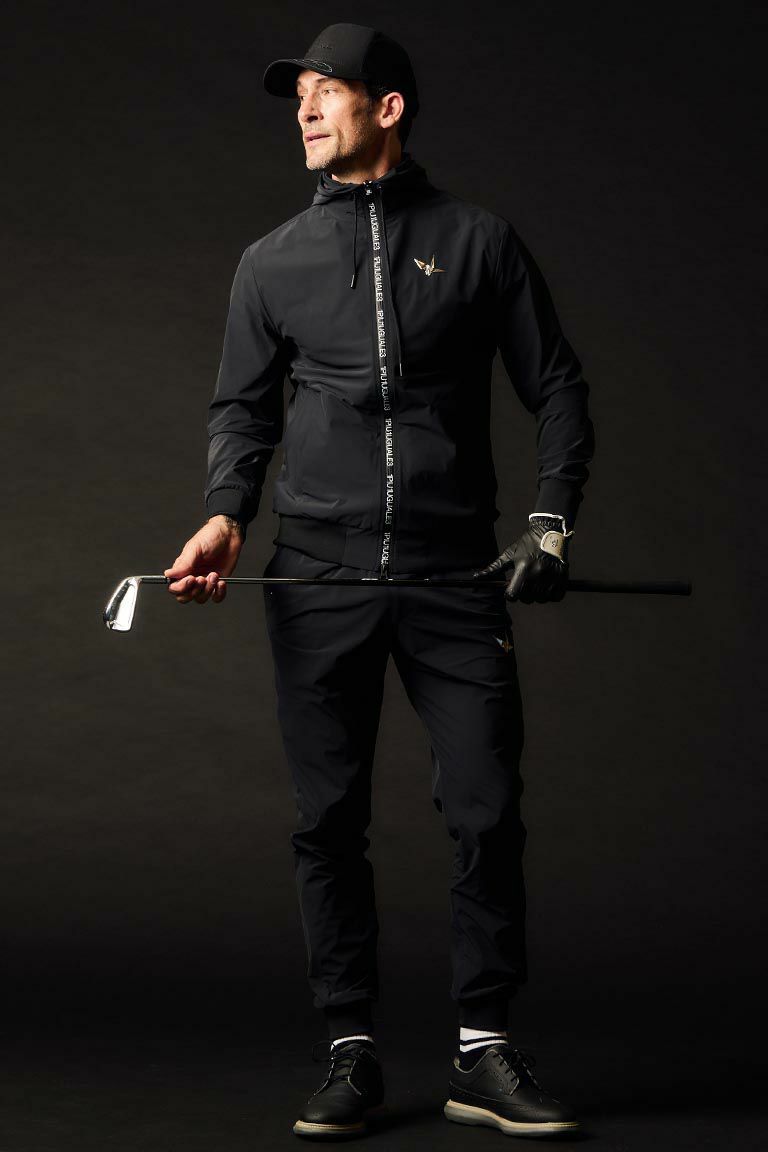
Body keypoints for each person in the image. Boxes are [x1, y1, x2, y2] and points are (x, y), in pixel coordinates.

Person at [163, 21, 594, 1141]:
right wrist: (225, 514)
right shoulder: (270, 262)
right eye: (297, 96)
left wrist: (549, 526)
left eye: (327, 91)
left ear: (387, 107)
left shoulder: (479, 241)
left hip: (457, 576)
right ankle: (349, 1051)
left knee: (486, 812)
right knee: (328, 820)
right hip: (316, 578)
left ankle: (483, 1051)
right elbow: (242, 409)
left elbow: (556, 385)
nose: (305, 111)